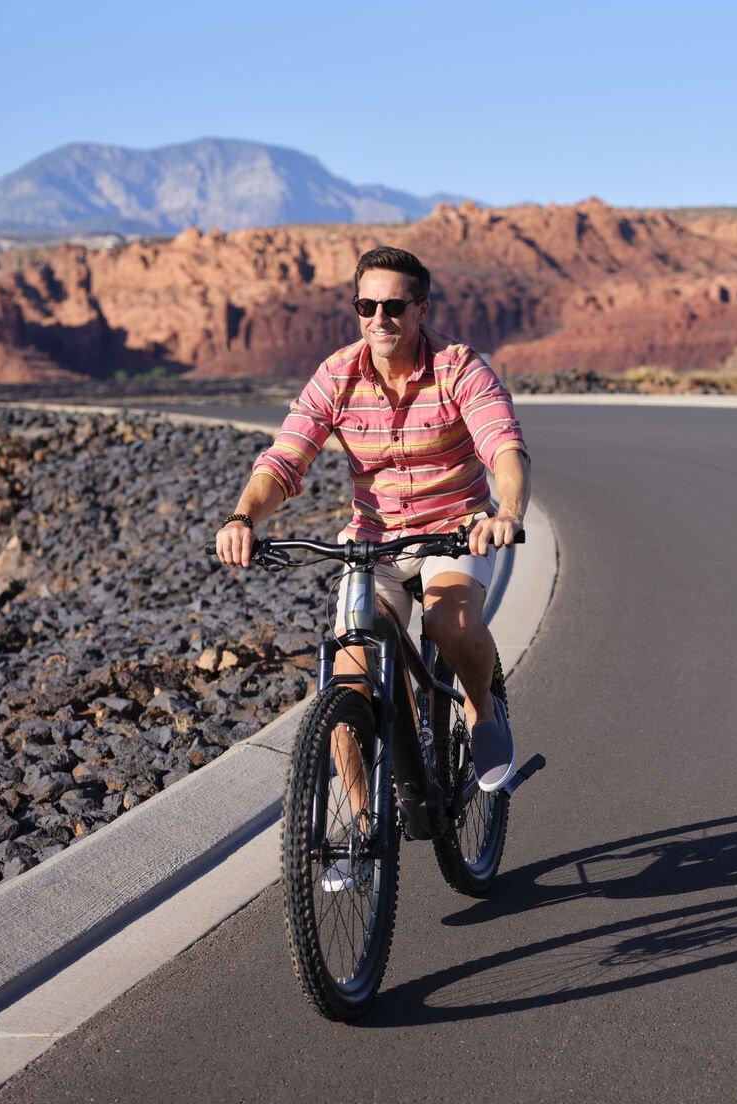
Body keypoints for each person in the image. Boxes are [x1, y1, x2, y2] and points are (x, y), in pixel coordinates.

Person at [215, 247, 529, 884]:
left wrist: (507, 512)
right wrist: (244, 518)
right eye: (366, 306)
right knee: (347, 676)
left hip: (455, 532)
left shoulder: (459, 366)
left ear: (420, 309)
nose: (378, 318)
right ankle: (362, 825)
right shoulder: (336, 375)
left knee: (449, 626)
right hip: (373, 541)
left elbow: (503, 448)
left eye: (393, 306)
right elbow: (284, 461)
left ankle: (481, 710)